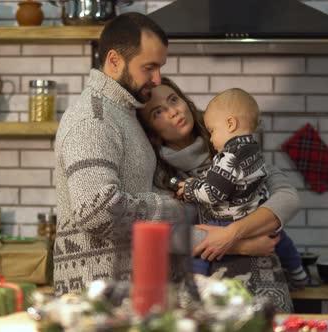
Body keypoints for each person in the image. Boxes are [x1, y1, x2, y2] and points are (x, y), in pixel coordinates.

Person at [137, 78, 301, 313]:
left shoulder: (233, 145)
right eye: (158, 112)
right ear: (151, 128)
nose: (173, 112)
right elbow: (162, 234)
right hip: (201, 291)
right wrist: (241, 245)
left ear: (186, 101)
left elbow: (287, 198)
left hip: (262, 278)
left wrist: (232, 233)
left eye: (174, 100)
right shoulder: (157, 173)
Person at [53, 12, 184, 296]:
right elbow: (98, 211)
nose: (157, 78)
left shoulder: (124, 113)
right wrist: (171, 208)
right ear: (114, 61)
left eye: (160, 67)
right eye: (149, 67)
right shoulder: (94, 118)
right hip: (100, 301)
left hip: (125, 295)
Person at [174, 88, 307, 289]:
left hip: (228, 219)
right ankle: (299, 274)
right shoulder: (255, 151)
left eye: (213, 131)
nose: (211, 139)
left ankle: (197, 280)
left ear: (230, 124)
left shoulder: (228, 157)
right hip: (256, 220)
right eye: (157, 112)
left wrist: (192, 188)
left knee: (202, 251)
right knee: (284, 243)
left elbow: (214, 193)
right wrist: (245, 244)